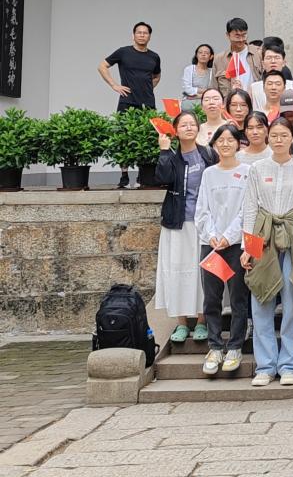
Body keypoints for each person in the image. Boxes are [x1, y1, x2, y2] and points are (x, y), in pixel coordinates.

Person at [241, 117, 293, 387]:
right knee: (261, 297)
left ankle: (288, 364)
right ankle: (265, 365)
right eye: (274, 135)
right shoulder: (257, 169)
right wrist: (247, 248)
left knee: (292, 298)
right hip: (263, 235)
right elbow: (250, 208)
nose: (279, 139)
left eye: (284, 135)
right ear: (267, 137)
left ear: (292, 137)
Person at [194, 122, 250, 375]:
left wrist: (228, 236)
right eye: (220, 140)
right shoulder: (209, 174)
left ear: (238, 143)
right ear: (214, 144)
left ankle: (235, 346)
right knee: (212, 298)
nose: (225, 144)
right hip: (212, 246)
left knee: (238, 298)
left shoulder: (248, 172)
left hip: (236, 245)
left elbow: (247, 210)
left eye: (230, 140)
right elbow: (202, 209)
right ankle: (215, 346)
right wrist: (213, 237)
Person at [155, 111, 214, 343]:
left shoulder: (207, 154)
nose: (189, 128)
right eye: (183, 125)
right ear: (175, 130)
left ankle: (201, 320)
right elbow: (163, 178)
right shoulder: (171, 156)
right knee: (177, 271)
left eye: (192, 124)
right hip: (177, 223)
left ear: (198, 128)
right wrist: (163, 151)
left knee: (202, 271)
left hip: (203, 223)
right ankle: (181, 322)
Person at [99, 21, 162, 187]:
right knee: (124, 138)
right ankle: (124, 176)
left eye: (145, 33)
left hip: (148, 103)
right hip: (127, 101)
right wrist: (114, 85)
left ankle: (142, 177)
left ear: (149, 36)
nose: (142, 35)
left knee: (146, 137)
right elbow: (102, 66)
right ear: (133, 35)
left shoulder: (154, 57)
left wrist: (148, 87)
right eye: (139, 32)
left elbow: (157, 76)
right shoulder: (123, 52)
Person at [213, 18, 262, 97]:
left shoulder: (258, 53)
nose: (241, 39)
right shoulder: (219, 59)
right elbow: (214, 88)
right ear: (228, 35)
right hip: (231, 102)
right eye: (237, 36)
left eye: (244, 35)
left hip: (255, 100)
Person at [250, 44, 292, 113]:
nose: (273, 61)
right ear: (263, 64)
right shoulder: (253, 88)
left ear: (284, 62)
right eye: (269, 58)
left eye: (277, 57)